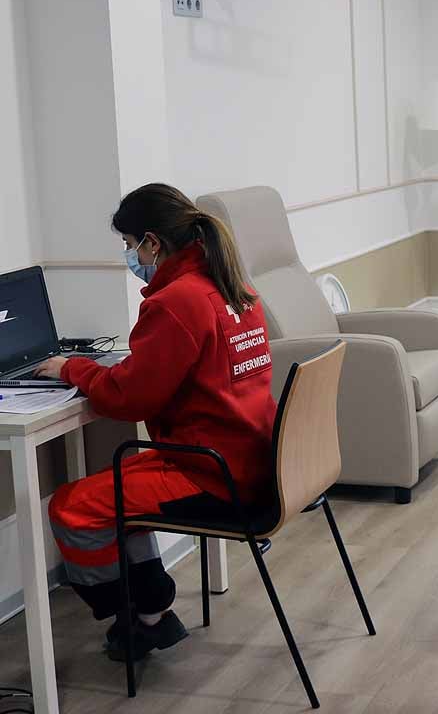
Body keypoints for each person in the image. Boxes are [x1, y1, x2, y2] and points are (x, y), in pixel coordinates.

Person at [37, 183, 276, 662]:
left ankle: (136, 612)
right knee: (118, 492)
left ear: (152, 242)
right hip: (252, 459)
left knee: (72, 507)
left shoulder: (176, 302)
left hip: (210, 472)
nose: (131, 257)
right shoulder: (233, 287)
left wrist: (71, 368)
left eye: (129, 246)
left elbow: (127, 398)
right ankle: (154, 610)